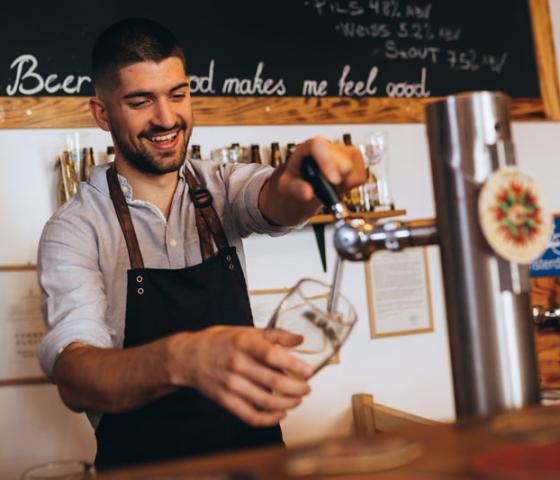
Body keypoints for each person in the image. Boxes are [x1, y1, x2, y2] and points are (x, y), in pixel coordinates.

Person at [37, 18, 365, 469]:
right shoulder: (76, 229)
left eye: (178, 94)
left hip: (257, 464)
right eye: (140, 101)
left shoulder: (223, 186)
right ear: (102, 113)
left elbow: (276, 199)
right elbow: (74, 376)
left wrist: (310, 177)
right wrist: (183, 358)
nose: (167, 118)